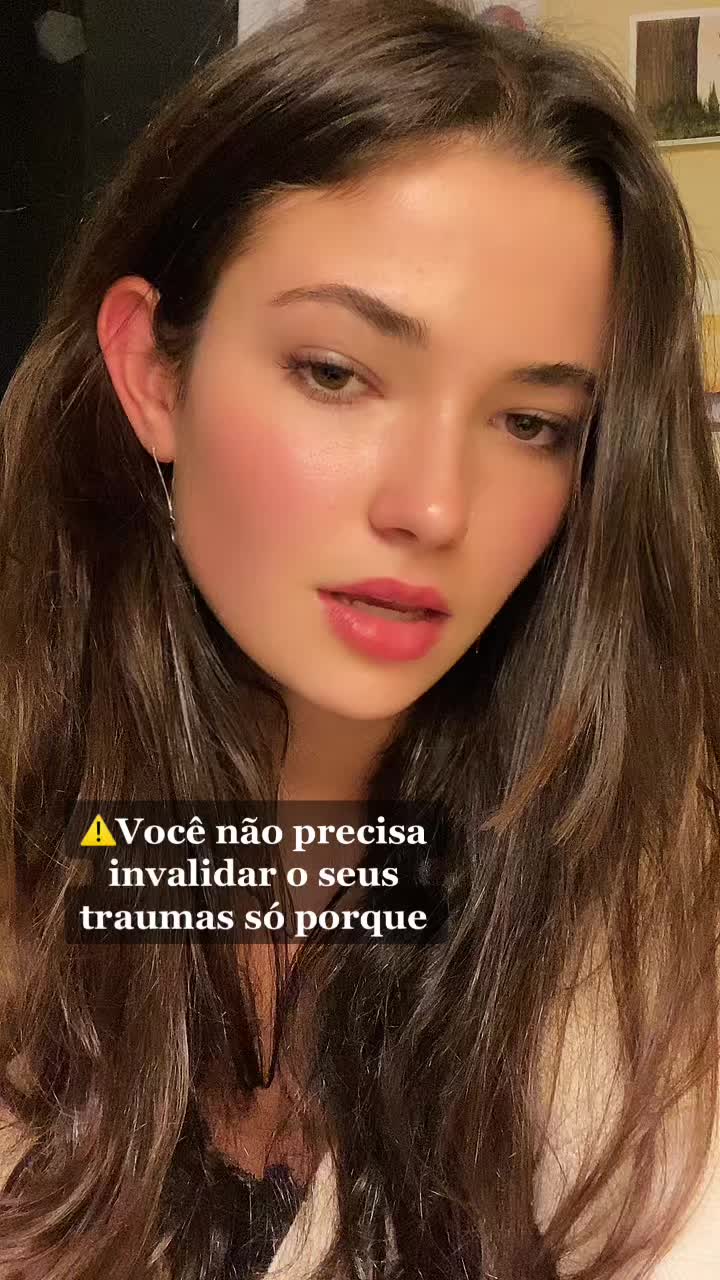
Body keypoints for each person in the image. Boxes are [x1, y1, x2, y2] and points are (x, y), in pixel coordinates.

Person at [0, 0, 719, 1276]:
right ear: (154, 372)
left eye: (533, 424)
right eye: (336, 373)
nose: (433, 507)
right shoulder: (57, 823)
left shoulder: (651, 913)